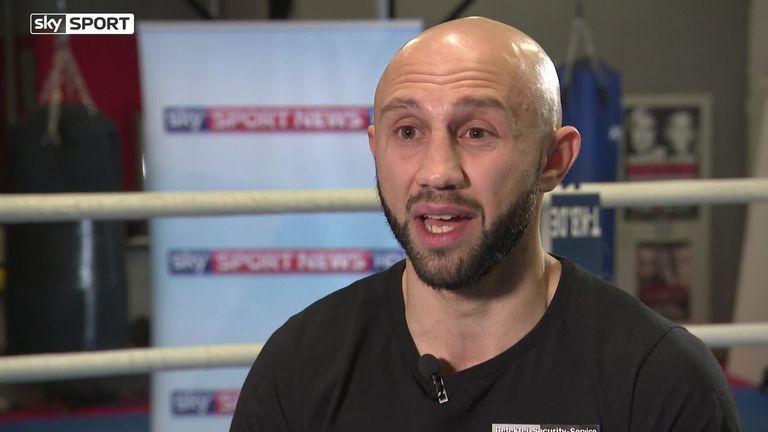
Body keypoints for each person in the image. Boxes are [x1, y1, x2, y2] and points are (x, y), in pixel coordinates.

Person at [230, 16, 739, 431]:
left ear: (554, 160)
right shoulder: (301, 367)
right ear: (375, 149)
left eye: (477, 132)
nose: (437, 172)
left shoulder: (658, 381)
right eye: (407, 131)